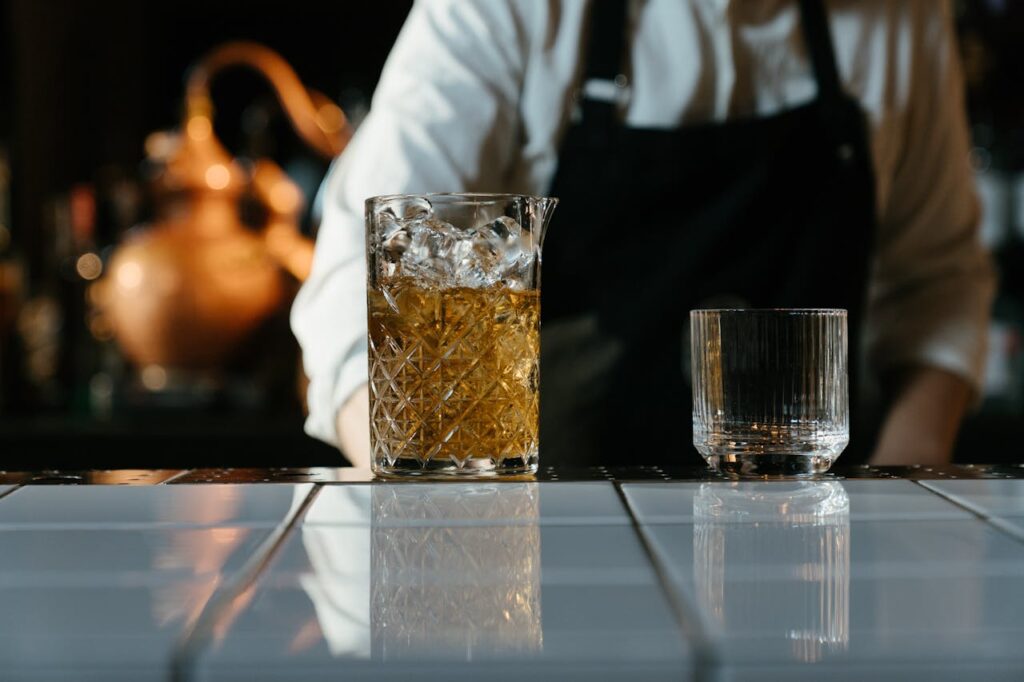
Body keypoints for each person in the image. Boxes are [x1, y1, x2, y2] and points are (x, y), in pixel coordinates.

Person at [292, 0, 994, 469]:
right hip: (545, 554)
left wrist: (903, 503)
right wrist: (442, 522)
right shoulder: (497, 11)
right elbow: (363, 282)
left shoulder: (903, 14)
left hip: (811, 569)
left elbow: (936, 282)